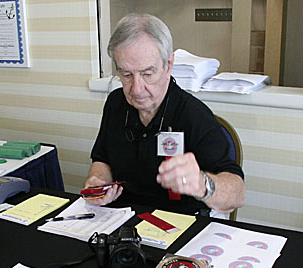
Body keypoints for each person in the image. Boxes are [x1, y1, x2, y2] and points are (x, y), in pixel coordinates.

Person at [84, 13, 245, 216]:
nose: (137, 89)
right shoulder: (116, 103)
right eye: (126, 75)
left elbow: (237, 195)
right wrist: (98, 182)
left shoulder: (194, 116)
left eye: (147, 74)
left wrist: (202, 184)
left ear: (168, 65)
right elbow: (102, 159)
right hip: (122, 218)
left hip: (177, 223)